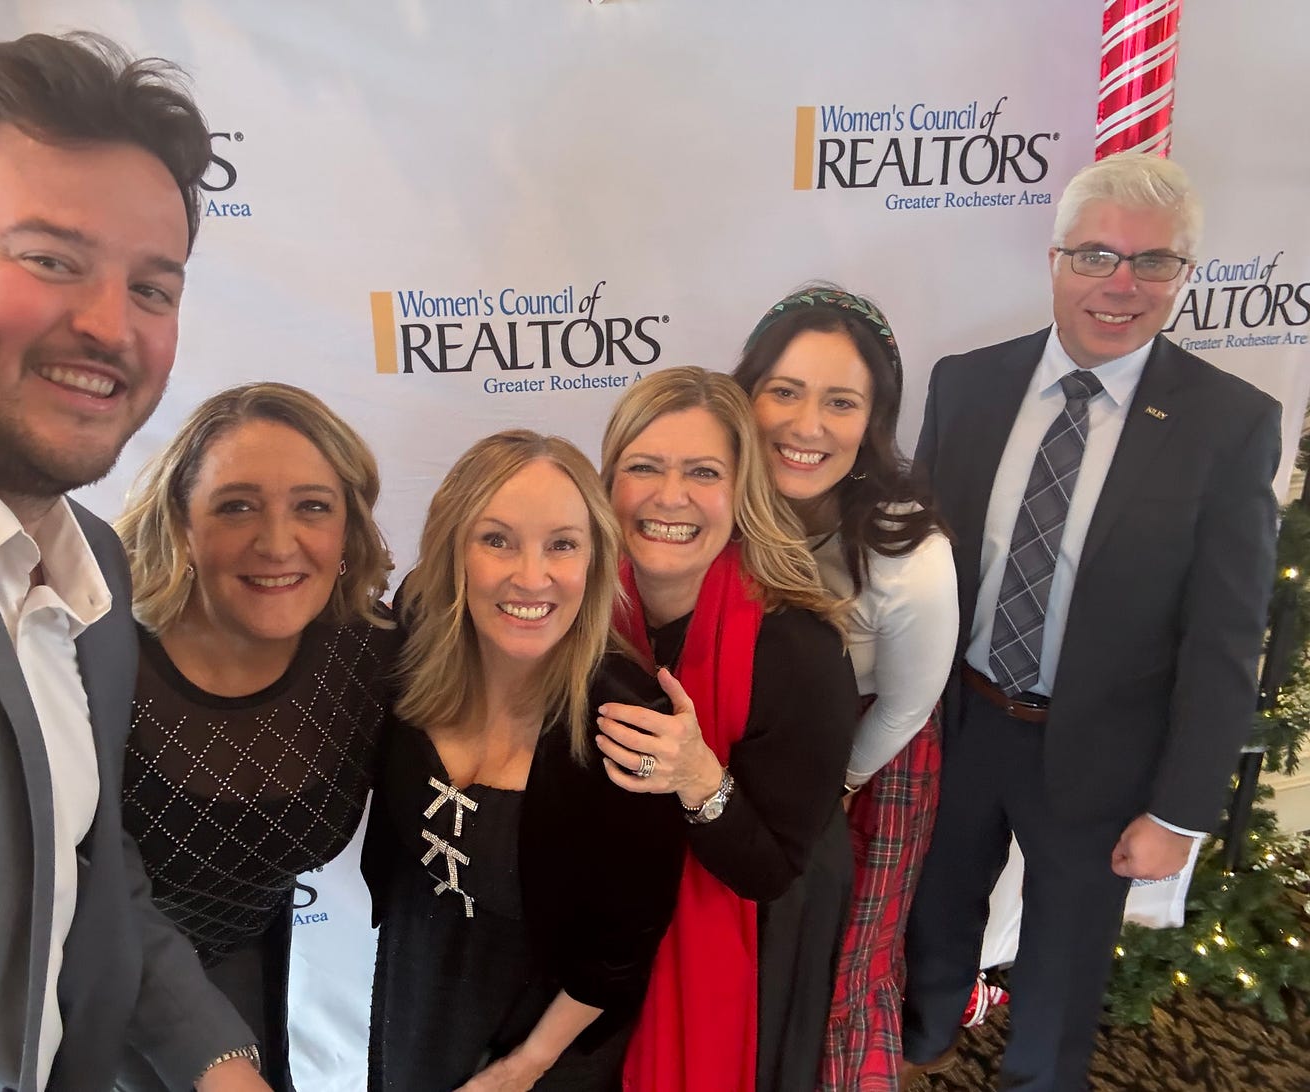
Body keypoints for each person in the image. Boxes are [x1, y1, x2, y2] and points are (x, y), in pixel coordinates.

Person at [0, 33, 271, 1092]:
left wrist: (221, 1063)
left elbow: (86, 866)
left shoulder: (91, 563)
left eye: (153, 288)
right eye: (49, 259)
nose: (108, 328)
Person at [901, 152, 1281, 1091]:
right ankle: (916, 1053)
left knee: (1063, 980)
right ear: (1055, 259)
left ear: (1182, 276)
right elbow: (907, 568)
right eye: (1096, 255)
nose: (1121, 283)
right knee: (930, 929)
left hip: (1104, 760)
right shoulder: (966, 384)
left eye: (1152, 263)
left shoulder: (1229, 424)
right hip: (961, 726)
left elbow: (1226, 640)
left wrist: (1180, 812)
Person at [361, 430, 686, 1090]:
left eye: (562, 545)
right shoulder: (417, 631)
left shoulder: (629, 724)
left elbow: (621, 948)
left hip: (546, 1030)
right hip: (417, 983)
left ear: (595, 561)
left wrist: (527, 1066)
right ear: (455, 549)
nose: (531, 576)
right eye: (497, 540)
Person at [113, 383, 398, 1089]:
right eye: (237, 506)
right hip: (89, 977)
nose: (277, 543)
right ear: (182, 521)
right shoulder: (100, 656)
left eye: (312, 506)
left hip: (247, 958)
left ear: (348, 528)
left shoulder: (367, 653)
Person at [595, 366, 859, 1092]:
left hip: (750, 931)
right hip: (614, 921)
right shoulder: (576, 605)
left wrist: (698, 780)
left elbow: (770, 872)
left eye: (702, 472)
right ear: (607, 483)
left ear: (740, 492)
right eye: (643, 467)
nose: (669, 497)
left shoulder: (799, 651)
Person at [732, 285, 957, 1091]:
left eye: (840, 402)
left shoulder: (907, 544)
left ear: (872, 421)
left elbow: (907, 702)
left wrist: (837, 784)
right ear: (745, 394)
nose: (807, 426)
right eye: (784, 392)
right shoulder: (711, 499)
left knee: (840, 972)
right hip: (741, 752)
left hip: (868, 764)